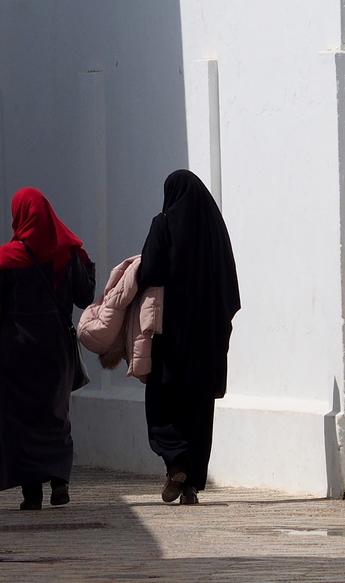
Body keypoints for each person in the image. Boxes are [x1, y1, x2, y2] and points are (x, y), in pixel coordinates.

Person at [0, 188, 95, 509]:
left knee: (20, 422)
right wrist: (84, 261)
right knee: (55, 415)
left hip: (16, 355)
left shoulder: (9, 257)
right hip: (56, 352)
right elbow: (85, 296)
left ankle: (31, 494)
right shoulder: (67, 254)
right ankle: (60, 482)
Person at [135, 170, 240, 505]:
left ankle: (176, 462)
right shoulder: (216, 231)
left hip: (172, 338)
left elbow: (150, 270)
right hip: (208, 340)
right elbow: (231, 288)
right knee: (198, 409)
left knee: (163, 403)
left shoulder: (164, 223)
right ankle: (191, 485)